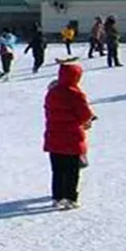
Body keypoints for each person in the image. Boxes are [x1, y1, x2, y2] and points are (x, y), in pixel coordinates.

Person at [43, 62, 96, 210]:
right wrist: (88, 120)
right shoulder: (75, 93)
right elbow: (85, 114)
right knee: (72, 171)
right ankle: (70, 197)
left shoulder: (52, 92)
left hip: (54, 137)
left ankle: (57, 197)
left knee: (58, 170)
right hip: (72, 138)